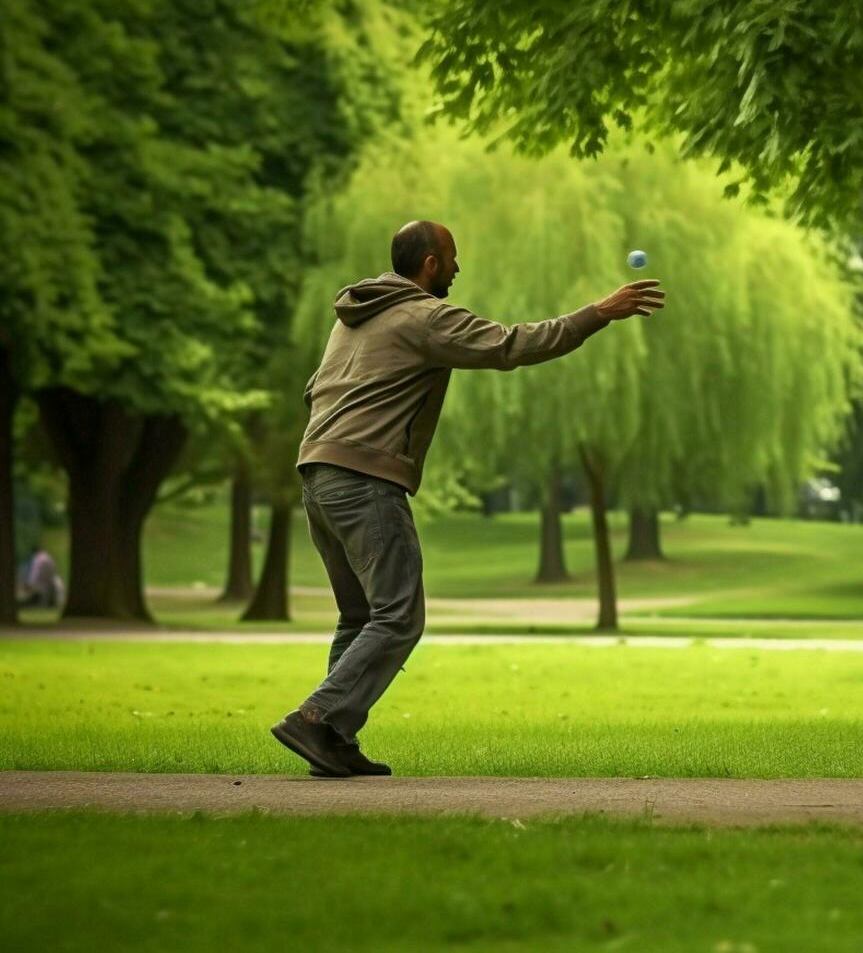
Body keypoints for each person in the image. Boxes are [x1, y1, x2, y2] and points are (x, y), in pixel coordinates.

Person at [271, 220, 664, 778]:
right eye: (452, 259)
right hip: (363, 479)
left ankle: (332, 738)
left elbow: (314, 390)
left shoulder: (353, 321)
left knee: (360, 614)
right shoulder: (424, 316)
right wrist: (598, 312)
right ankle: (317, 718)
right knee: (398, 615)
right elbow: (511, 345)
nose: (458, 269)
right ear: (430, 263)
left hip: (317, 474)